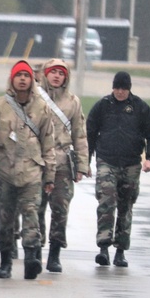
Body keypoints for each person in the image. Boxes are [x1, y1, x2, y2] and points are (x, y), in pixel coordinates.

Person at [0, 60, 56, 280]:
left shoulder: (42, 109)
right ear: (11, 79)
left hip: (31, 173)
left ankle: (31, 258)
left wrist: (49, 176)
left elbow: (48, 145)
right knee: (5, 220)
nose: (22, 79)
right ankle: (5, 262)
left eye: (26, 76)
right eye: (18, 75)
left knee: (31, 214)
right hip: (4, 173)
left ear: (32, 80)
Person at [86, 71, 150, 268]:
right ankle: (103, 247)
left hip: (130, 164)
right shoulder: (103, 106)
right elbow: (90, 134)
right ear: (113, 88)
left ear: (129, 89)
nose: (120, 92)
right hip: (106, 161)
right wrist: (85, 161)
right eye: (117, 88)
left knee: (125, 206)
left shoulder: (140, 108)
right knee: (106, 201)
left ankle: (120, 250)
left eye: (123, 88)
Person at [35, 58, 91, 273]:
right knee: (35, 207)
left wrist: (82, 165)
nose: (57, 76)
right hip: (38, 161)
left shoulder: (73, 102)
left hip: (62, 163)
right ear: (45, 74)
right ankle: (35, 248)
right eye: (53, 72)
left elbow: (80, 134)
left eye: (61, 73)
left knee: (60, 208)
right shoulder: (34, 97)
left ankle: (55, 252)